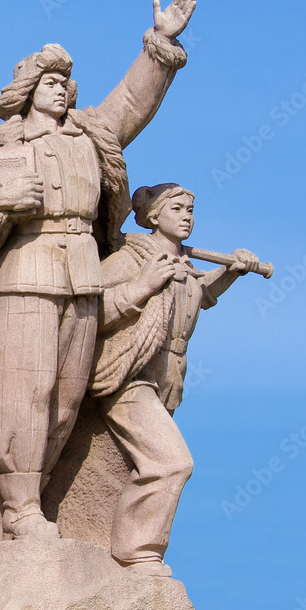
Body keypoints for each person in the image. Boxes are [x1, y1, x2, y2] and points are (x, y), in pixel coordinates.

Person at [0, 0, 196, 539]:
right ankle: (18, 507)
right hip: (23, 277)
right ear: (28, 91)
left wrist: (160, 42)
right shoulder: (1, 147)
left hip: (83, 276)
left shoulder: (88, 135)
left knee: (64, 399)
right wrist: (2, 199)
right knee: (24, 395)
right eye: (50, 82)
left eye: (65, 83)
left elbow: (132, 102)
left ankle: (37, 495)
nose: (60, 89)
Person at [90, 183, 259, 576]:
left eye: (190, 210)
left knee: (139, 464)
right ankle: (138, 552)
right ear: (153, 216)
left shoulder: (184, 263)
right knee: (171, 462)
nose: (187, 217)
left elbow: (198, 294)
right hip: (129, 373)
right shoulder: (132, 258)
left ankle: (116, 549)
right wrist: (141, 286)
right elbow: (89, 311)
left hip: (169, 376)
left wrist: (231, 273)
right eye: (177, 208)